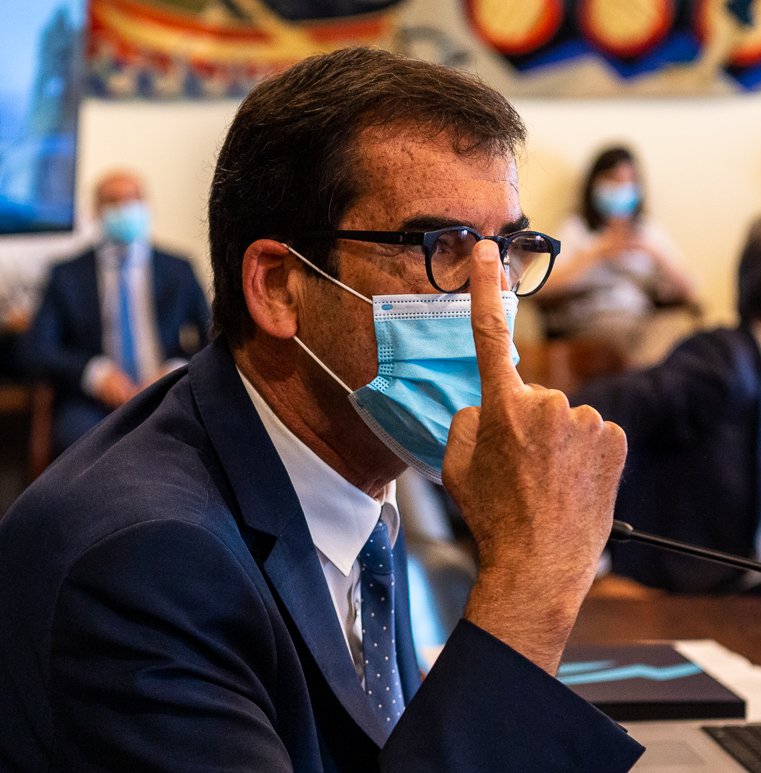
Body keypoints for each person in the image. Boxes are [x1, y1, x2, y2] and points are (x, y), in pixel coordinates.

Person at [0, 48, 642, 771]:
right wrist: (528, 588)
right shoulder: (149, 559)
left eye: (508, 250)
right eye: (442, 248)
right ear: (279, 286)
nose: (491, 302)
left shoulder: (356, 461)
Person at [574, 213, 761, 594]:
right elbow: (585, 418)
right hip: (681, 601)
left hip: (750, 594)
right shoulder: (721, 363)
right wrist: (598, 571)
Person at [19, 170, 211, 452]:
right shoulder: (66, 275)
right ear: (96, 211)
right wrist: (94, 373)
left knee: (193, 443)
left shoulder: (178, 269)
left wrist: (173, 370)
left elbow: (212, 336)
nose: (124, 208)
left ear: (146, 205)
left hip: (167, 393)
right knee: (80, 446)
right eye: (113, 201)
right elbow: (37, 350)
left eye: (132, 199)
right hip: (92, 405)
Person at [533, 145, 697, 372]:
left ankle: (640, 381)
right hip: (596, 321)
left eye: (628, 181)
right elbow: (542, 287)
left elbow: (691, 292)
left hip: (641, 320)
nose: (621, 188)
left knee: (678, 329)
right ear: (594, 183)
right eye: (613, 180)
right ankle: (638, 381)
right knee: (618, 340)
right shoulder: (577, 229)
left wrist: (653, 252)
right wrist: (597, 253)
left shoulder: (648, 230)